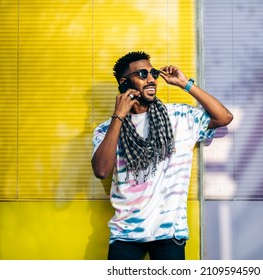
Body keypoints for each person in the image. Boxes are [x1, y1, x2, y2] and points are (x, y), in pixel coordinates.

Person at [91, 51, 233, 260]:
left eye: (153, 73)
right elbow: (102, 170)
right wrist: (118, 116)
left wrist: (186, 84)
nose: (151, 79)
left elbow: (224, 117)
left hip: (169, 232)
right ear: (124, 83)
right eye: (142, 74)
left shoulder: (179, 117)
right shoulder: (107, 130)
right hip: (125, 234)